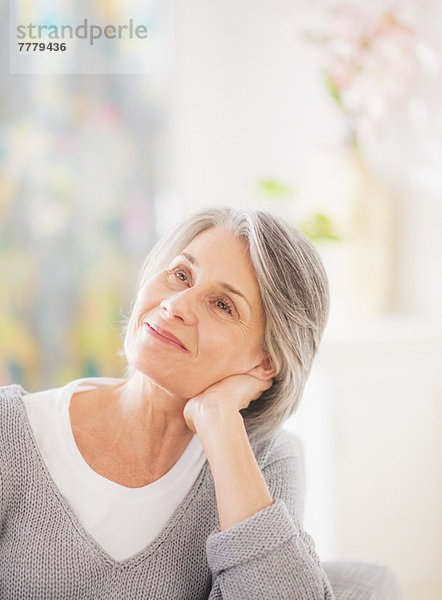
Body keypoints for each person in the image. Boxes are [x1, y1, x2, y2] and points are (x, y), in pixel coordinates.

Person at [0, 207, 334, 599]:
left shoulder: (263, 461)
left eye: (222, 305)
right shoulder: (11, 430)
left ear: (265, 363)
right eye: (180, 275)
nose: (176, 305)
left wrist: (219, 422)